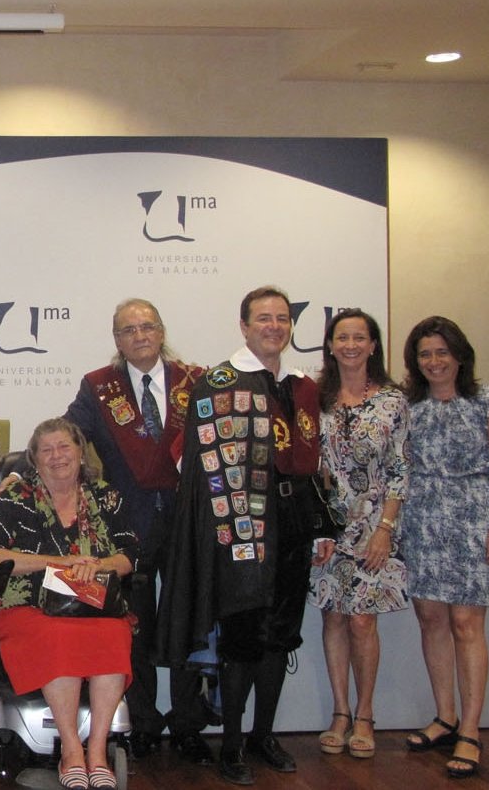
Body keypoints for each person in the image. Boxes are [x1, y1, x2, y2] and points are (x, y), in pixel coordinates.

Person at [157, 286, 336, 786]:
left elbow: (314, 461)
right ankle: (232, 741)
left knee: (280, 634)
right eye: (263, 318)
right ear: (244, 326)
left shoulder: (304, 385)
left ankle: (264, 734)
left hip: (295, 518)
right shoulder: (220, 381)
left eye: (282, 318)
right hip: (243, 523)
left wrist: (321, 524)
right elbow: (190, 457)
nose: (274, 326)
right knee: (241, 635)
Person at [63, 298, 209, 764]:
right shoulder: (98, 388)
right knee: (135, 624)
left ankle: (188, 723)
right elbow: (67, 436)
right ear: (117, 341)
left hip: (190, 518)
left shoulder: (197, 381)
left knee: (189, 619)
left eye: (147, 327)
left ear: (162, 332)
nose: (140, 336)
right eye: (129, 330)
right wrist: (23, 471)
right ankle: (142, 722)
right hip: (128, 521)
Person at [0, 418, 136, 790]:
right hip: (23, 604)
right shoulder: (18, 497)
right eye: (46, 450)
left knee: (114, 631)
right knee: (53, 633)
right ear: (34, 459)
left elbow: (130, 556)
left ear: (81, 451)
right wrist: (60, 563)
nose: (57, 456)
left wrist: (95, 565)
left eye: (64, 447)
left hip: (91, 603)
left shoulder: (105, 496)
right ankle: (71, 753)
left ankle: (97, 753)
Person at [398, 316, 489, 780]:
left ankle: (470, 728)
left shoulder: (488, 399)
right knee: (431, 618)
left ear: (460, 356)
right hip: (422, 517)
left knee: (467, 623)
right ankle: (444, 716)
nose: (434, 361)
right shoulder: (410, 406)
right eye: (425, 354)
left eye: (442, 352)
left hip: (473, 518)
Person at [307, 309, 410, 759]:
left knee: (363, 621)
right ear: (329, 345)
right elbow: (308, 466)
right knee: (333, 617)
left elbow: (401, 469)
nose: (350, 345)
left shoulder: (394, 400)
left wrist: (385, 530)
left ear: (373, 345)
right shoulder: (313, 398)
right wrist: (316, 529)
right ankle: (340, 712)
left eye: (359, 338)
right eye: (342, 337)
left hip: (375, 528)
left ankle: (366, 714)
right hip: (328, 527)